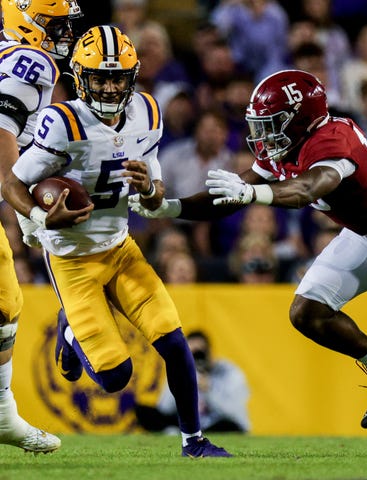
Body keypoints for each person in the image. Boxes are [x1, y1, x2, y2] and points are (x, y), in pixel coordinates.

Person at [129, 69, 367, 458]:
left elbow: (308, 188)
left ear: (300, 118)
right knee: (307, 312)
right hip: (366, 235)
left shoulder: (333, 138)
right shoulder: (285, 147)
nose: (263, 136)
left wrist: (252, 192)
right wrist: (170, 207)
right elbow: (230, 195)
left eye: (272, 124)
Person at [1, 25, 231, 459]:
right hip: (72, 261)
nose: (109, 86)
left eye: (118, 77)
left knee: (173, 340)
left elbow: (155, 186)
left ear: (132, 77)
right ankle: (69, 332)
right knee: (114, 377)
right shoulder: (62, 122)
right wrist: (37, 214)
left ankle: (193, 442)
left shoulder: (147, 111)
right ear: (81, 77)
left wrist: (150, 190)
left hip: (121, 248)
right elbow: (12, 180)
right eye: (100, 77)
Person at [0, 0, 83, 453]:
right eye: (55, 25)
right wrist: (28, 212)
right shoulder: (30, 62)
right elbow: (2, 139)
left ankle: (1, 416)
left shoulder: (12, 55)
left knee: (4, 302)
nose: (64, 35)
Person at [135, 330, 250, 433]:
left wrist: (209, 389)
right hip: (188, 424)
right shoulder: (182, 370)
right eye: (191, 354)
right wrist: (180, 383)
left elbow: (234, 413)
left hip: (216, 425)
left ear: (209, 352)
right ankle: (176, 432)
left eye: (200, 353)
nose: (196, 358)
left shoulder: (229, 372)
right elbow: (164, 409)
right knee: (143, 411)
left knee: (229, 426)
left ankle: (181, 434)